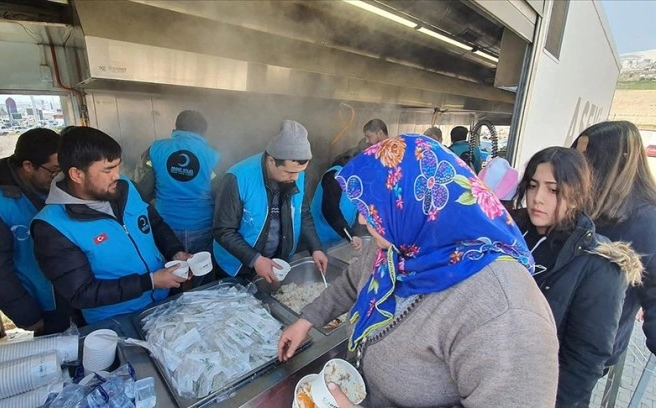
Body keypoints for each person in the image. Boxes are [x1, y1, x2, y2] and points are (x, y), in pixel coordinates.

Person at [279, 135, 559, 407]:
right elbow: (355, 280)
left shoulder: (504, 312)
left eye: (375, 207)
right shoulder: (400, 247)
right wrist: (307, 320)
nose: (363, 220)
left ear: (413, 203)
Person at [513, 146, 642, 406]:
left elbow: (585, 360)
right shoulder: (507, 232)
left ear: (577, 195)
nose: (538, 198)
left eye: (554, 190)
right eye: (533, 185)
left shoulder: (599, 264)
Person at [32, 127, 191, 324]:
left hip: (162, 304)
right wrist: (150, 281)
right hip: (116, 321)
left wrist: (175, 251)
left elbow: (154, 223)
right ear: (76, 174)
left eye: (117, 166)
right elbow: (82, 293)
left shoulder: (126, 186)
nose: (117, 175)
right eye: (108, 170)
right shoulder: (52, 226)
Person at [0, 128, 74, 335]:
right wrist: (26, 315)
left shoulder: (53, 189)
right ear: (28, 166)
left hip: (78, 295)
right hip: (45, 307)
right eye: (53, 171)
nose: (57, 177)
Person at [572, 121, 656, 368]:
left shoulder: (648, 221)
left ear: (609, 162)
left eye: (584, 158)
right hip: (553, 338)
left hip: (589, 354)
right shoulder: (583, 204)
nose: (575, 167)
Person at [213, 120, 328, 283]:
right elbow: (223, 231)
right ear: (272, 161)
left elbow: (303, 214)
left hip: (276, 263)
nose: (295, 178)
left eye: (300, 172)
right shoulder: (237, 178)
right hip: (237, 266)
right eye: (289, 172)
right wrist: (255, 259)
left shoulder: (298, 175)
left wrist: (315, 248)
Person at [134, 110, 219, 285]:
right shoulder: (214, 156)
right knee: (201, 277)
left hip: (165, 227)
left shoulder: (155, 149)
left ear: (176, 128)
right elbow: (220, 192)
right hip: (202, 225)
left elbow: (142, 188)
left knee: (169, 276)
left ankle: (172, 306)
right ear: (203, 132)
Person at [310, 120, 389, 248]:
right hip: (320, 239)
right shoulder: (335, 176)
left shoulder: (359, 178)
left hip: (341, 238)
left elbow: (361, 206)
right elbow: (330, 210)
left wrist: (358, 232)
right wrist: (350, 234)